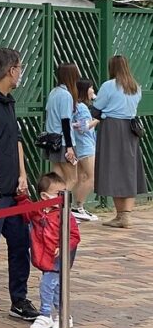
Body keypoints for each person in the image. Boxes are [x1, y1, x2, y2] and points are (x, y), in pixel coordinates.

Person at [0, 48, 38, 322]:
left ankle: (19, 299)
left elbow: (16, 140)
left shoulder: (9, 101)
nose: (20, 74)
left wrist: (23, 174)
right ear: (12, 70)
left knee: (20, 244)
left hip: (13, 191)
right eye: (20, 68)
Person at [93, 54, 146, 228]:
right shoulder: (135, 87)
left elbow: (98, 107)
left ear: (112, 68)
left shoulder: (109, 86)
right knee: (129, 168)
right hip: (130, 128)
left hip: (112, 128)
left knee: (113, 167)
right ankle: (126, 215)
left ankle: (120, 215)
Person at [26, 172, 80, 328]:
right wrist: (22, 198)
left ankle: (45, 314)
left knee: (47, 285)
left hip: (58, 258)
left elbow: (74, 235)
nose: (62, 197)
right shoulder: (38, 211)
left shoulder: (65, 214)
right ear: (44, 196)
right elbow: (26, 212)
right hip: (45, 256)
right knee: (56, 289)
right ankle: (64, 315)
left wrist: (63, 247)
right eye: (58, 194)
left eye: (64, 193)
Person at [45, 63, 80, 188]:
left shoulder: (53, 92)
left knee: (57, 179)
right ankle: (63, 205)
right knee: (72, 179)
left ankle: (52, 203)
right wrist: (70, 147)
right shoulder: (66, 96)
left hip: (53, 140)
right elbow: (65, 122)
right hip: (64, 142)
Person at [72, 78, 99, 221]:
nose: (93, 91)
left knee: (81, 177)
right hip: (85, 145)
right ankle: (78, 207)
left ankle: (78, 208)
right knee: (91, 177)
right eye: (91, 88)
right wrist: (99, 118)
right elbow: (84, 127)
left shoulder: (78, 106)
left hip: (81, 145)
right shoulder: (81, 107)